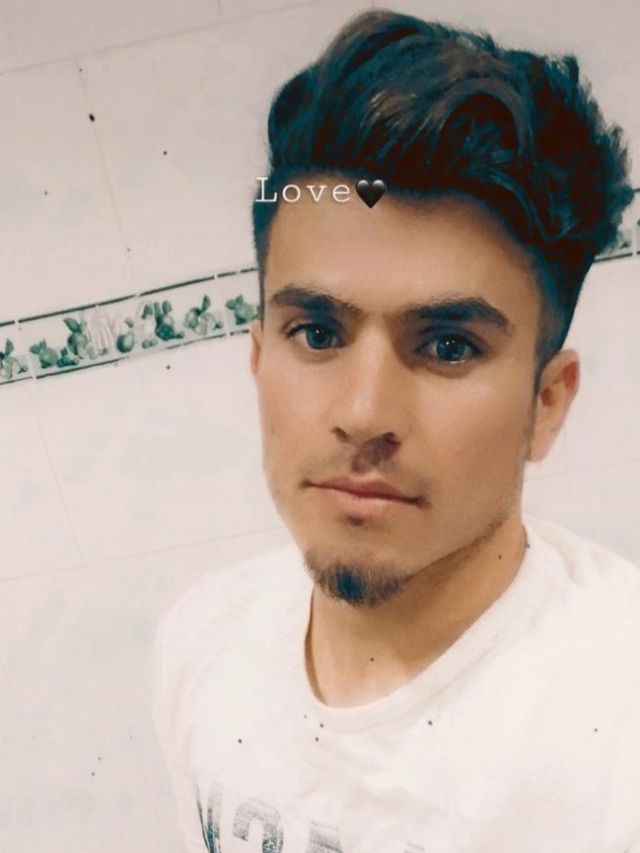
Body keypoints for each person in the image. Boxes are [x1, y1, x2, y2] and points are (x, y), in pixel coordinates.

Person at [152, 8, 640, 852]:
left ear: (547, 403)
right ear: (258, 357)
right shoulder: (200, 642)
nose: (365, 412)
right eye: (317, 333)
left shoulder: (615, 735)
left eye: (448, 346)